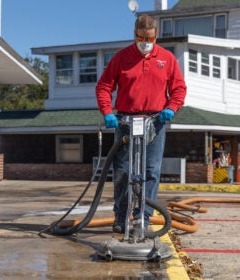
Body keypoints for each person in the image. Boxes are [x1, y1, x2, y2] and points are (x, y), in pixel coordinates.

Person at [95, 14, 186, 233]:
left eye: (150, 38)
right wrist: (108, 112)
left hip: (155, 121)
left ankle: (144, 217)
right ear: (134, 35)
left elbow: (179, 89)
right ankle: (121, 215)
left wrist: (171, 108)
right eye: (142, 37)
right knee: (123, 170)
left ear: (157, 36)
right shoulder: (122, 57)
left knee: (151, 170)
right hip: (125, 121)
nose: (146, 42)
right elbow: (104, 86)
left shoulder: (167, 59)